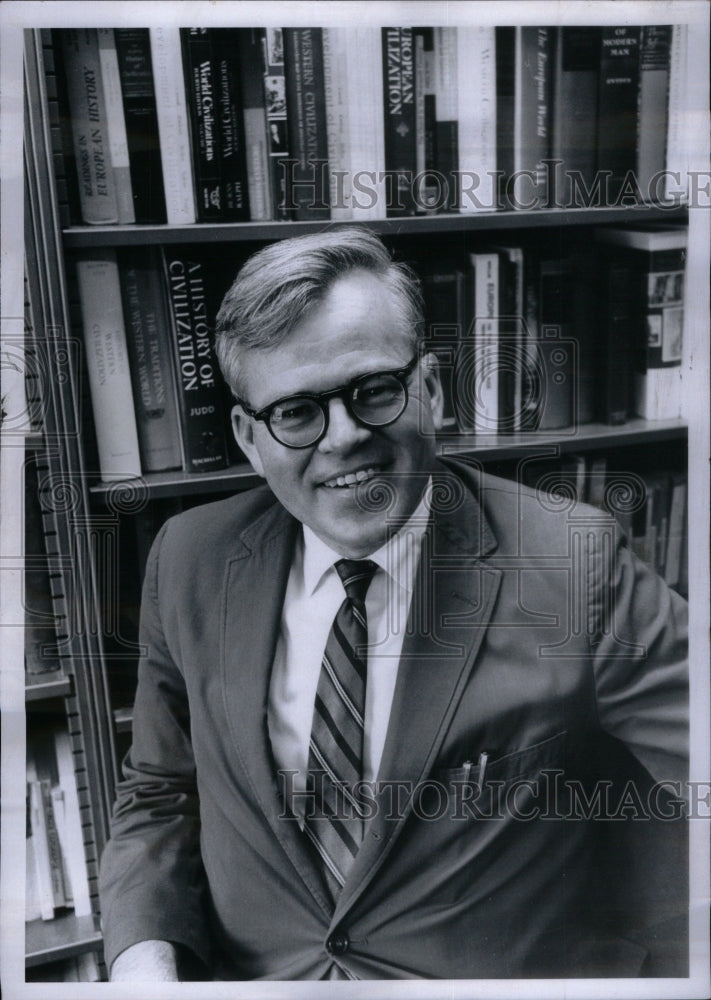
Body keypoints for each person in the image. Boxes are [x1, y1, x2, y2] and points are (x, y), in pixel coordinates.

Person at [99, 228, 688, 982]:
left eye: (373, 390)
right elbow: (161, 790)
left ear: (431, 389)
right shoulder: (188, 557)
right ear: (249, 437)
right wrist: (143, 962)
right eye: (296, 413)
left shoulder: (573, 562)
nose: (344, 438)